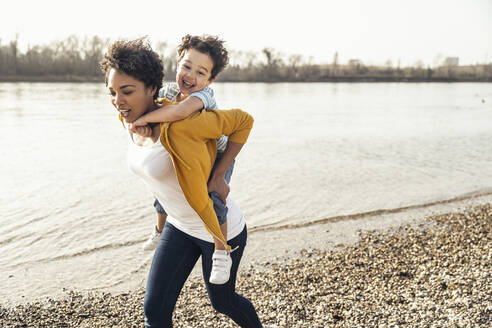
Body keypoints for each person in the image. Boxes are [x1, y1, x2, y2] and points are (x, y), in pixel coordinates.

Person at [100, 38, 274, 328]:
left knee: (223, 303)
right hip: (178, 226)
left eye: (127, 91)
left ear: (152, 89)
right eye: (112, 92)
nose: (118, 101)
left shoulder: (187, 121)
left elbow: (243, 121)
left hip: (218, 227)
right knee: (154, 313)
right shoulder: (129, 121)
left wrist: (220, 174)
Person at [131, 36, 233, 285]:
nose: (190, 76)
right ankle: (159, 230)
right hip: (187, 152)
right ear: (177, 64)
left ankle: (222, 250)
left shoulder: (204, 97)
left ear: (210, 80)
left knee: (213, 198)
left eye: (200, 72)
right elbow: (149, 109)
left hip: (216, 157)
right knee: (163, 188)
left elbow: (179, 112)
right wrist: (145, 122)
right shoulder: (169, 90)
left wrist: (147, 119)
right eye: (186, 66)